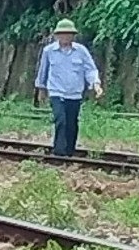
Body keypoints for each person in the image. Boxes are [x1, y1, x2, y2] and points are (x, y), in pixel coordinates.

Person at [34, 18, 103, 157]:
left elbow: (90, 69)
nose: (65, 37)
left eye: (69, 34)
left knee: (72, 123)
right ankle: (59, 152)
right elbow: (43, 71)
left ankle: (70, 152)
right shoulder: (49, 51)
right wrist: (41, 89)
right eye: (62, 34)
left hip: (74, 94)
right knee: (60, 120)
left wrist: (96, 84)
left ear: (73, 36)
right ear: (57, 35)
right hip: (56, 92)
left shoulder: (81, 51)